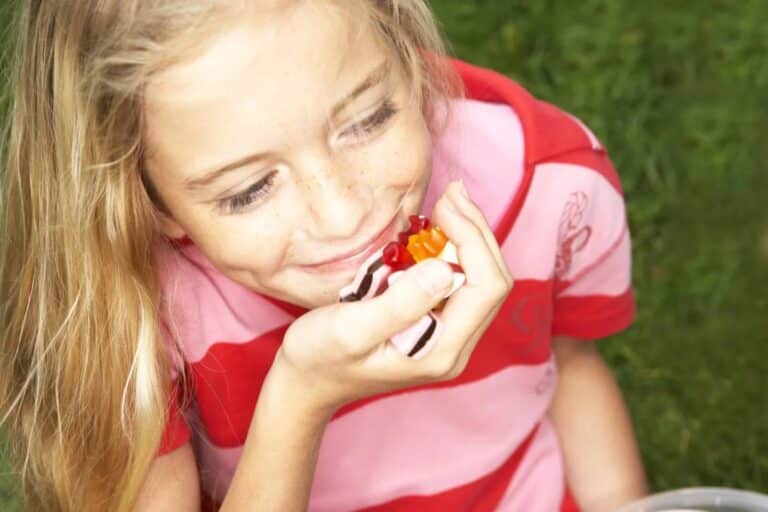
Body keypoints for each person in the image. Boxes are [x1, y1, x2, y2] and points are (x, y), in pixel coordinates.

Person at [0, 1, 648, 510]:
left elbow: (569, 365)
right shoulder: (127, 315)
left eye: (367, 120)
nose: (345, 217)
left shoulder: (550, 185)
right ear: (148, 202)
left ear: (404, 52)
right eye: (249, 190)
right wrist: (299, 399)